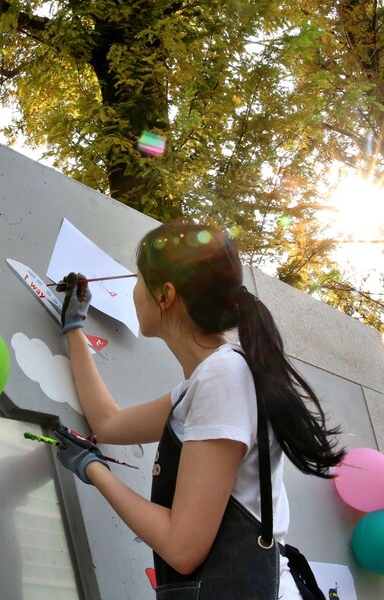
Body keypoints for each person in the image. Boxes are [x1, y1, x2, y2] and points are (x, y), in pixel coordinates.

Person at [53, 221, 345, 599]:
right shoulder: (213, 379)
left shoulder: (222, 378)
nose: (133, 289)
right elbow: (108, 424)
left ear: (166, 295)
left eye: (139, 278)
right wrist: (74, 328)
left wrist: (94, 469)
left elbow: (182, 548)